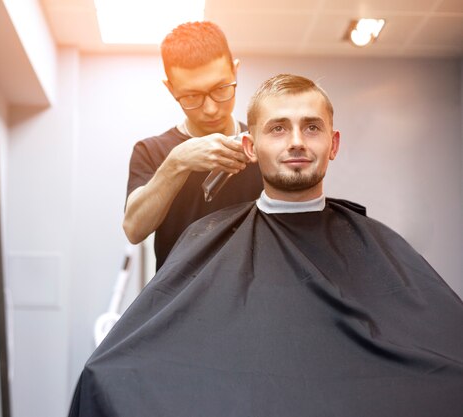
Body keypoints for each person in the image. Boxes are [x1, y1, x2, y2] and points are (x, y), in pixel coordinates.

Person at [69, 73, 463, 416]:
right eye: (277, 128)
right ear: (250, 147)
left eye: (312, 127)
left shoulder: (372, 242)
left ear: (334, 143)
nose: (296, 142)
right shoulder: (207, 237)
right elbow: (120, 372)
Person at [123, 21, 263, 271]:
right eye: (191, 96)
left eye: (221, 89)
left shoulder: (261, 145)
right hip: (179, 301)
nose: (210, 108)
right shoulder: (151, 151)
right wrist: (177, 162)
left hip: (250, 299)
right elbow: (134, 229)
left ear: (235, 71)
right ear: (170, 88)